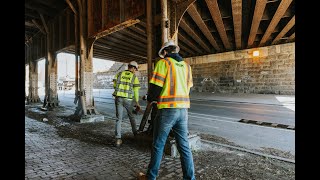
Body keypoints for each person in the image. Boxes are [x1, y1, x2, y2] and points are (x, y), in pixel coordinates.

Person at [139, 40, 195, 179]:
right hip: (183, 111)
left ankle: (151, 177)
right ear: (176, 50)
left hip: (167, 111)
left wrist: (149, 97)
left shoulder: (163, 63)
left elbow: (155, 89)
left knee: (158, 144)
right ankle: (190, 178)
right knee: (184, 147)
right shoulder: (187, 67)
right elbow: (189, 89)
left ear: (164, 52)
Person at [112, 61, 141, 147]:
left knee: (118, 119)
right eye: (135, 69)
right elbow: (136, 91)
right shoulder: (134, 77)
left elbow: (114, 85)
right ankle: (135, 134)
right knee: (131, 117)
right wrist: (137, 102)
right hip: (128, 100)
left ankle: (118, 139)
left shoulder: (119, 74)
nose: (135, 71)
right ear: (134, 68)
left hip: (118, 98)